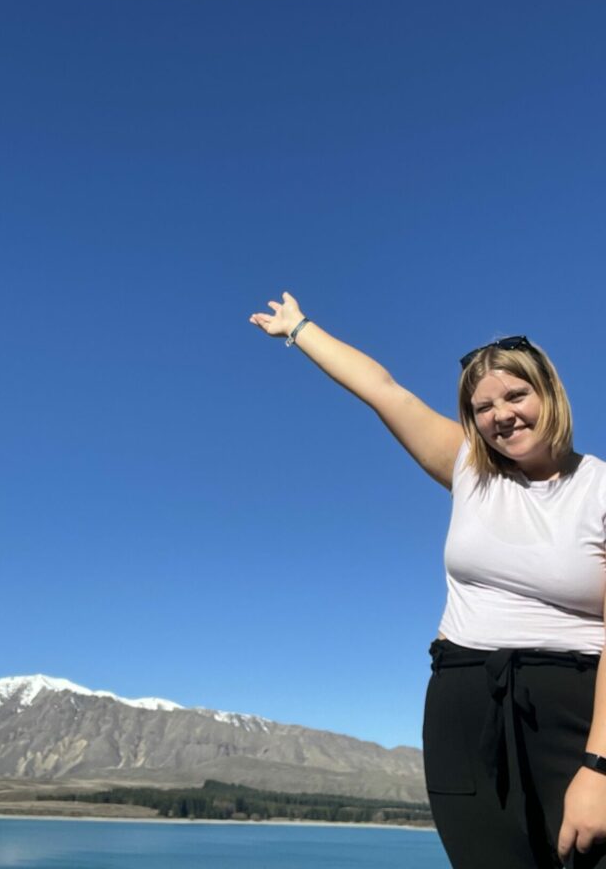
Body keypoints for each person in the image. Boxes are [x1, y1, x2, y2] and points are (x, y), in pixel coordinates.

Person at [250, 291, 606, 869]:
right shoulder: (469, 469)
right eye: (483, 406)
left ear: (552, 395)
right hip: (463, 702)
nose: (501, 415)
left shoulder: (599, 489)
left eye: (517, 395)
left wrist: (598, 769)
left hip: (577, 707)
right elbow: (384, 390)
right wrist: (300, 329)